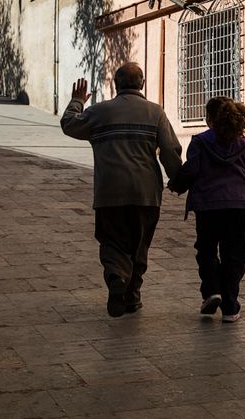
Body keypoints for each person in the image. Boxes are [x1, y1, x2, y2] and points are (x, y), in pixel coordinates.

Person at [60, 63, 181, 318]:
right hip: (146, 193)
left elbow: (69, 124)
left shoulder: (99, 112)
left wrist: (77, 101)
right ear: (142, 84)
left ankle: (116, 275)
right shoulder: (155, 112)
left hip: (110, 192)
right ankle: (132, 295)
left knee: (112, 240)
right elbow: (170, 151)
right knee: (140, 244)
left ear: (116, 84)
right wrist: (178, 180)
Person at [169, 96, 245, 323]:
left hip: (208, 206)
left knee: (206, 249)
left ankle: (212, 290)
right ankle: (230, 307)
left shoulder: (200, 141)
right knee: (234, 255)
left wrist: (176, 184)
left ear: (209, 118)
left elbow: (191, 170)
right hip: (239, 207)